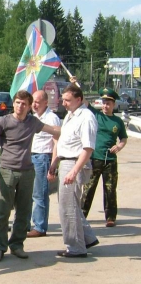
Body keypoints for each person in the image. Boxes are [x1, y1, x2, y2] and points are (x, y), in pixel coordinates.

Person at [0, 90, 60, 263]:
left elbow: (54, 131)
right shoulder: (4, 121)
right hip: (7, 171)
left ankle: (17, 245)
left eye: (24, 103)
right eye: (17, 102)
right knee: (3, 211)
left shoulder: (33, 122)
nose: (20, 106)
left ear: (29, 106)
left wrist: (73, 129)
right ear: (13, 103)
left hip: (27, 172)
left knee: (24, 211)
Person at [48, 84, 99, 258]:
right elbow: (64, 142)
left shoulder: (86, 117)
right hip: (66, 162)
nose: (64, 103)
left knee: (68, 207)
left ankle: (76, 247)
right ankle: (87, 238)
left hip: (75, 164)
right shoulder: (71, 115)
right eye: (63, 99)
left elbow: (87, 148)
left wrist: (74, 171)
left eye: (67, 100)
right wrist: (55, 162)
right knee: (70, 204)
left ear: (79, 99)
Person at [81, 87, 128, 227]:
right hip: (95, 158)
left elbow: (124, 138)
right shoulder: (96, 115)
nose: (105, 106)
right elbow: (83, 100)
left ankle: (110, 217)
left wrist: (119, 146)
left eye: (108, 103)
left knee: (110, 189)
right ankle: (82, 214)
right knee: (88, 188)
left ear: (113, 105)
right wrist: (76, 84)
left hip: (110, 160)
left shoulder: (117, 122)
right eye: (104, 103)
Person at [27, 90, 61, 238]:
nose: (34, 105)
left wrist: (53, 165)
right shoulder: (33, 117)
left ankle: (40, 227)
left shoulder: (52, 118)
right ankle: (25, 224)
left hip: (43, 158)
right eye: (33, 101)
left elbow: (56, 142)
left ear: (46, 103)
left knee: (39, 194)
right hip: (30, 157)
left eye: (38, 102)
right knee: (28, 193)